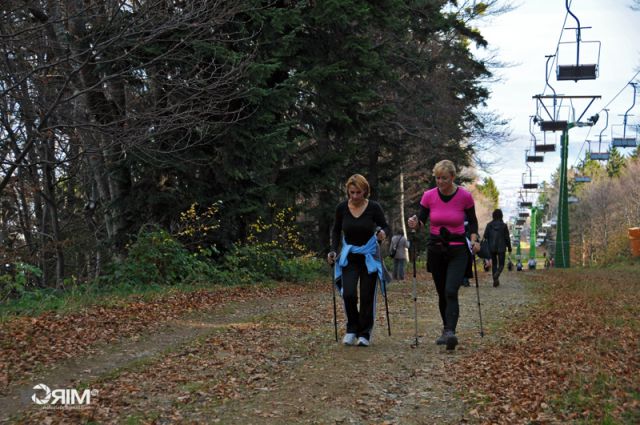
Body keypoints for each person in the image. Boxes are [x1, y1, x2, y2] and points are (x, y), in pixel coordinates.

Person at [408, 160, 480, 350]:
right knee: (442, 292)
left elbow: (473, 223)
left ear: (453, 178)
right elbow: (421, 220)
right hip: (436, 248)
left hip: (458, 249)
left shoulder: (464, 196)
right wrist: (415, 223)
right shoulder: (429, 196)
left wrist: (474, 240)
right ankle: (446, 329)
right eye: (438, 178)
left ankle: (450, 332)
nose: (440, 182)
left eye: (444, 179)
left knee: (450, 290)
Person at [327, 174, 390, 347]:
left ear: (365, 191)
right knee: (348, 293)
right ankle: (352, 329)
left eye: (358, 193)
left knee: (367, 295)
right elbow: (336, 230)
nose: (355, 196)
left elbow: (384, 226)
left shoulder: (374, 207)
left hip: (369, 256)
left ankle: (365, 333)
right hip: (349, 257)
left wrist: (382, 233)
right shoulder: (342, 208)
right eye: (352, 192)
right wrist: (333, 250)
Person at [483, 209, 512, 287]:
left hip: (491, 247)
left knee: (494, 264)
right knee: (501, 264)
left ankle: (495, 280)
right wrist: (509, 248)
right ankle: (497, 275)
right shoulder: (504, 226)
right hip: (501, 247)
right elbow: (507, 238)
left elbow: (485, 236)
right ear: (501, 216)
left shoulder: (489, 225)